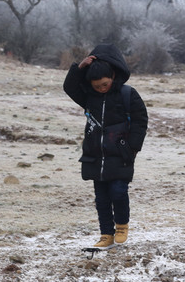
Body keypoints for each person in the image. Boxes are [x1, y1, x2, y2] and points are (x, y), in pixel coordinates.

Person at [63, 43, 149, 248]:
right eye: (96, 86)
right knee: (101, 198)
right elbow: (69, 87)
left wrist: (132, 148)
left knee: (118, 192)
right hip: (95, 155)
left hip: (120, 154)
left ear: (113, 75)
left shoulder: (128, 94)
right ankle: (106, 235)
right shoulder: (89, 98)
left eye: (104, 84)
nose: (101, 88)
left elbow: (140, 120)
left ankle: (121, 225)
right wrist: (79, 67)